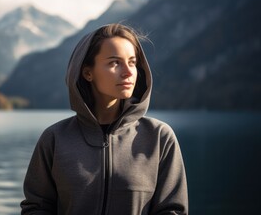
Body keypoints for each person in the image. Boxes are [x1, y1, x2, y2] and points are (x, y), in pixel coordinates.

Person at [20, 23, 188, 215]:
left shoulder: (159, 137)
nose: (128, 72)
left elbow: (172, 211)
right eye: (115, 62)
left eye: (132, 62)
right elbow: (36, 208)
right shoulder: (55, 138)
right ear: (87, 73)